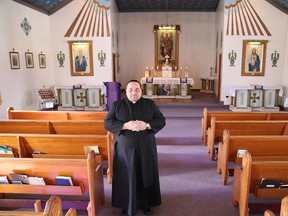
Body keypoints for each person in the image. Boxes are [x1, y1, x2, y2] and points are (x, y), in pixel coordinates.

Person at [104, 80, 166, 216]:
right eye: (130, 90)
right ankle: (127, 204)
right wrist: (125, 125)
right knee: (127, 175)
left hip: (146, 148)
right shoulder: (117, 105)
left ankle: (146, 203)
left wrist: (147, 125)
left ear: (141, 91)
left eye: (137, 90)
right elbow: (107, 123)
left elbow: (161, 120)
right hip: (125, 150)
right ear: (125, 92)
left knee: (145, 173)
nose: (134, 92)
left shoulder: (150, 105)